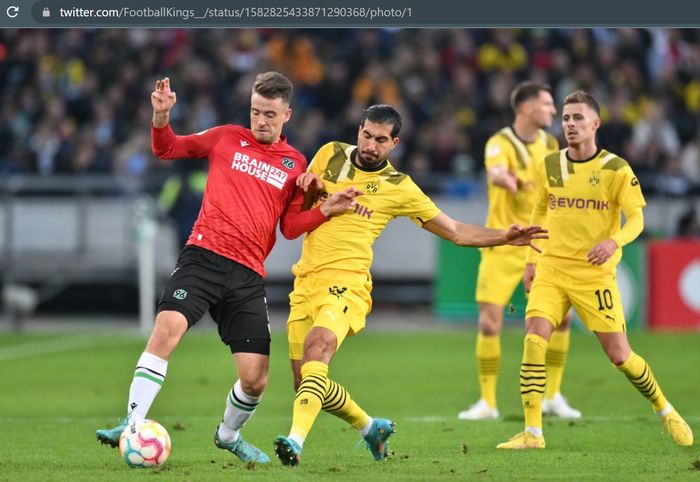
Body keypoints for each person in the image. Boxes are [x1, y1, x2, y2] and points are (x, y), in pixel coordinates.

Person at [96, 72, 361, 463]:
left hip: (247, 276)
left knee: (256, 379)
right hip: (202, 258)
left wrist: (323, 210)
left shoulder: (295, 163)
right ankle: (133, 422)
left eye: (270, 114)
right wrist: (161, 117)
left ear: (287, 114)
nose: (261, 121)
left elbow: (288, 228)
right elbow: (166, 149)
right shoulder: (226, 137)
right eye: (255, 111)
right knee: (166, 330)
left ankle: (228, 434)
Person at [272, 104, 549, 466]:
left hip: (348, 283)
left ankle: (295, 442)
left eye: (381, 140)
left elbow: (455, 231)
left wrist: (504, 236)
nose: (371, 145)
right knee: (307, 384)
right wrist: (306, 186)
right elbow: (299, 216)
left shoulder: (399, 187)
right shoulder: (329, 154)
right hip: (305, 281)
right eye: (367, 135)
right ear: (359, 130)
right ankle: (371, 427)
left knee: (318, 346)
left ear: (394, 143)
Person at [497, 90, 693, 449]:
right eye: (566, 118)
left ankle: (664, 409)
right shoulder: (551, 164)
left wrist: (614, 241)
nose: (570, 124)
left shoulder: (616, 169)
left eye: (578, 118)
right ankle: (533, 433)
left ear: (595, 124)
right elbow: (539, 210)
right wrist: (531, 260)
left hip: (593, 275)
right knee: (534, 339)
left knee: (620, 356)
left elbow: (636, 218)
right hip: (552, 268)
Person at [459, 82, 581, 421]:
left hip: (542, 244)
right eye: (547, 105)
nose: (553, 112)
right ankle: (487, 403)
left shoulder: (551, 144)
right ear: (527, 108)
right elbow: (496, 171)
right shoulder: (500, 142)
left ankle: (552, 396)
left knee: (562, 318)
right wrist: (504, 180)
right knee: (488, 322)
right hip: (504, 243)